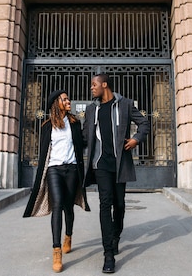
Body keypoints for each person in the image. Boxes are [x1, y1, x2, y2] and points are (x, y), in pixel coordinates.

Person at [83, 73, 150, 273]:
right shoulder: (91, 109)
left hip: (120, 163)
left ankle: (115, 236)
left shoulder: (126, 104)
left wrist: (136, 139)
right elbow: (85, 136)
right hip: (100, 164)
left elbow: (144, 123)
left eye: (94, 85)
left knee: (119, 204)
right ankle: (108, 254)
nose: (91, 88)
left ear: (105, 84)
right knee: (105, 203)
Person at [23, 89, 90, 273]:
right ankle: (56, 250)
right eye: (65, 99)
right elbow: (44, 151)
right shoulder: (47, 126)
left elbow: (83, 144)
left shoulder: (75, 123)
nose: (69, 101)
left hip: (72, 170)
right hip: (54, 169)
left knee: (68, 207)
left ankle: (68, 235)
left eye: (69, 98)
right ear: (56, 103)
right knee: (58, 205)